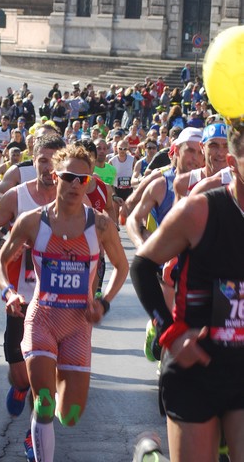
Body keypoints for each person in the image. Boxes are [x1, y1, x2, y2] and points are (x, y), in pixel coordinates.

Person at [0, 143, 129, 462]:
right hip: (41, 319)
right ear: (55, 176)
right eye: (69, 177)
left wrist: (103, 302)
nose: (75, 185)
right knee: (45, 403)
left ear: (91, 181)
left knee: (70, 414)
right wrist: (9, 292)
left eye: (83, 180)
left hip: (78, 326)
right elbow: (0, 262)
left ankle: (45, 379)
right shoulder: (31, 221)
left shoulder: (101, 225)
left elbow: (122, 267)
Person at [130, 122, 244, 462]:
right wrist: (169, 332)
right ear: (234, 166)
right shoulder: (199, 211)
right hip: (196, 368)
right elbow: (142, 266)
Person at [0, 134, 65, 460]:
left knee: (42, 381)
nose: (49, 168)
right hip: (20, 300)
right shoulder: (19, 197)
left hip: (56, 304)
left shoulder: (72, 199)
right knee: (21, 374)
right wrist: (11, 241)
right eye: (43, 160)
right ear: (33, 160)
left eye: (55, 160)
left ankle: (36, 435)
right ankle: (17, 385)